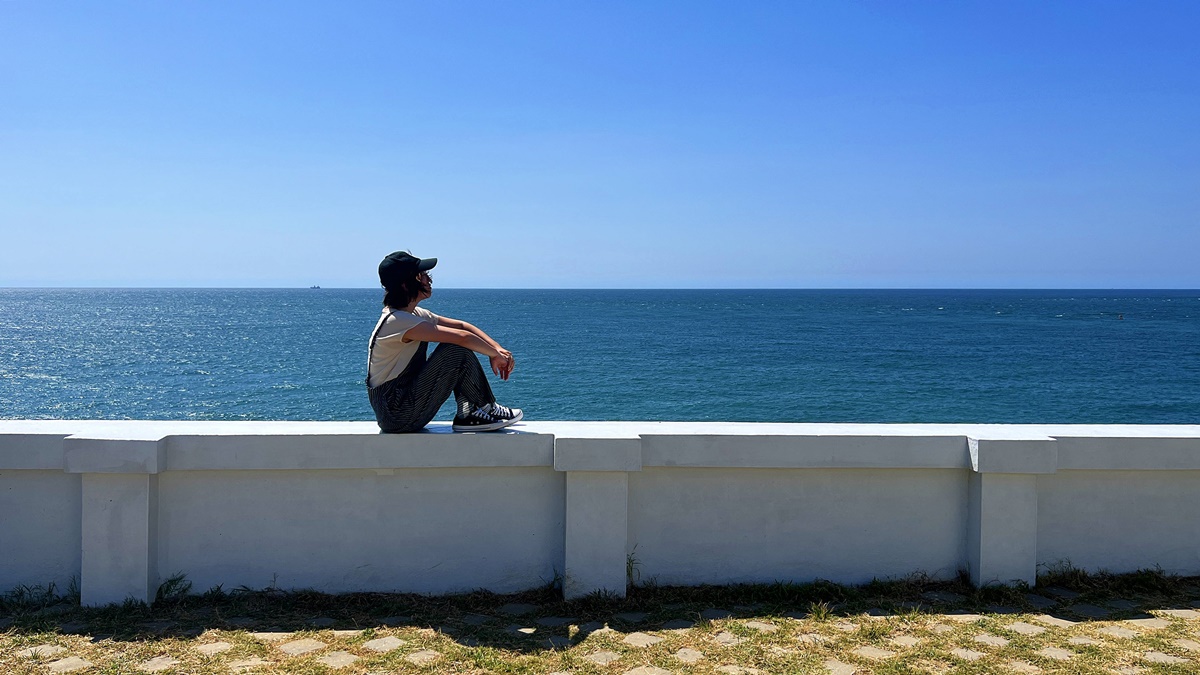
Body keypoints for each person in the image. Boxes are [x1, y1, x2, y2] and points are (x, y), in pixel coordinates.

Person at [367, 251, 523, 433]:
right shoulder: (397, 321)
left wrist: (497, 348)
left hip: (400, 407)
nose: (428, 279)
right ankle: (485, 407)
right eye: (421, 275)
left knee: (456, 347)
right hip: (396, 414)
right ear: (404, 285)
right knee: (454, 350)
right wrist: (494, 354)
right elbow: (462, 338)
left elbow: (462, 327)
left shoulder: (411, 315)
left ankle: (470, 412)